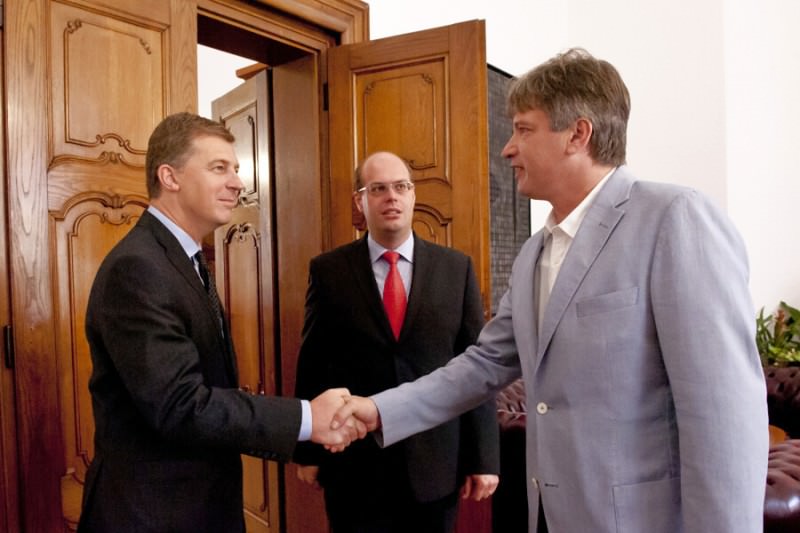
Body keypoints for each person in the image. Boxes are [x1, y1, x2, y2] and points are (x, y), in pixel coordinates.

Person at [332, 49, 769, 533]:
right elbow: (483, 364)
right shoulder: (533, 253)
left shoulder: (675, 218)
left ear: (577, 135)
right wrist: (379, 409)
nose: (507, 149)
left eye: (523, 129)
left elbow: (724, 416)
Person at [78, 112, 362, 533]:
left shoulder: (183, 259)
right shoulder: (138, 268)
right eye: (219, 168)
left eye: (236, 169)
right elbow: (181, 405)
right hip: (153, 515)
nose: (237, 183)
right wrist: (306, 418)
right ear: (169, 177)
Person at [293, 151, 500, 533]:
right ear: (360, 200)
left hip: (436, 464)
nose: (392, 197)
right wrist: (307, 448)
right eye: (379, 189)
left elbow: (477, 365)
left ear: (413, 195)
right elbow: (313, 362)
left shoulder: (456, 268)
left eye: (401, 187)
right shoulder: (329, 271)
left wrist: (483, 457)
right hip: (354, 465)